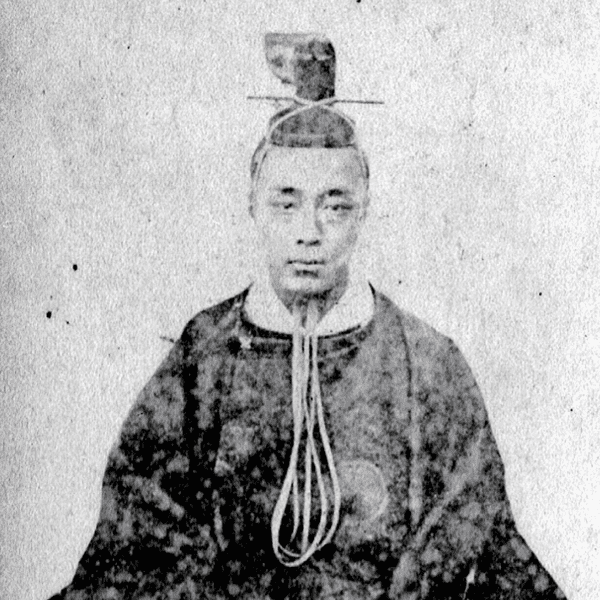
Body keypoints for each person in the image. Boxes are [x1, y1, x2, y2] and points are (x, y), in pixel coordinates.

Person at [48, 34, 566, 600]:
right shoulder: (206, 352)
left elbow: (471, 535)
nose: (308, 233)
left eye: (334, 206)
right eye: (286, 202)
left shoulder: (426, 362)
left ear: (364, 210)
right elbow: (143, 529)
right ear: (253, 203)